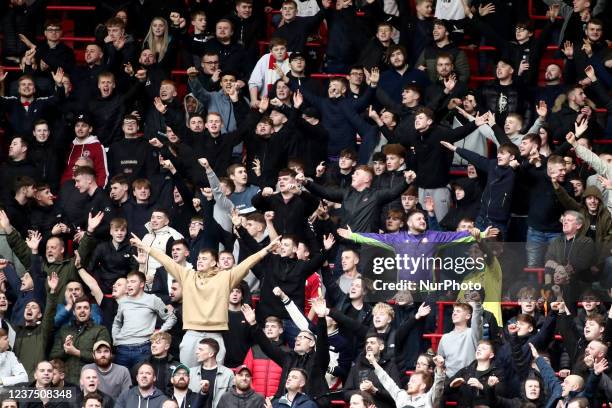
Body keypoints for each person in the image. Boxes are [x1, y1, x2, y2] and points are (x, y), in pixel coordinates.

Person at [129, 232, 278, 367]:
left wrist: (267, 249)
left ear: (214, 263)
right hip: (191, 333)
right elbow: (166, 261)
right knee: (188, 374)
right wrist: (144, 246)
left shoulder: (225, 277)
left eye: (204, 259)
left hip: (215, 334)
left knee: (214, 375)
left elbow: (247, 263)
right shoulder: (187, 275)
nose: (199, 261)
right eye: (199, 258)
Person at [111, 271, 176, 370]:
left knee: (144, 381)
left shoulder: (152, 299)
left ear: (142, 284)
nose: (129, 285)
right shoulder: (123, 301)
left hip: (143, 348)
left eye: (133, 282)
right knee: (121, 382)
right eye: (128, 282)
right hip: (122, 349)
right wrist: (115, 339)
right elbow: (117, 322)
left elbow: (171, 318)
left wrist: (160, 332)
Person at [187, 338, 235, 408]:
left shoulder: (227, 374)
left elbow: (232, 399)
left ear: (211, 354)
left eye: (201, 349)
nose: (196, 352)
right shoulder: (191, 372)